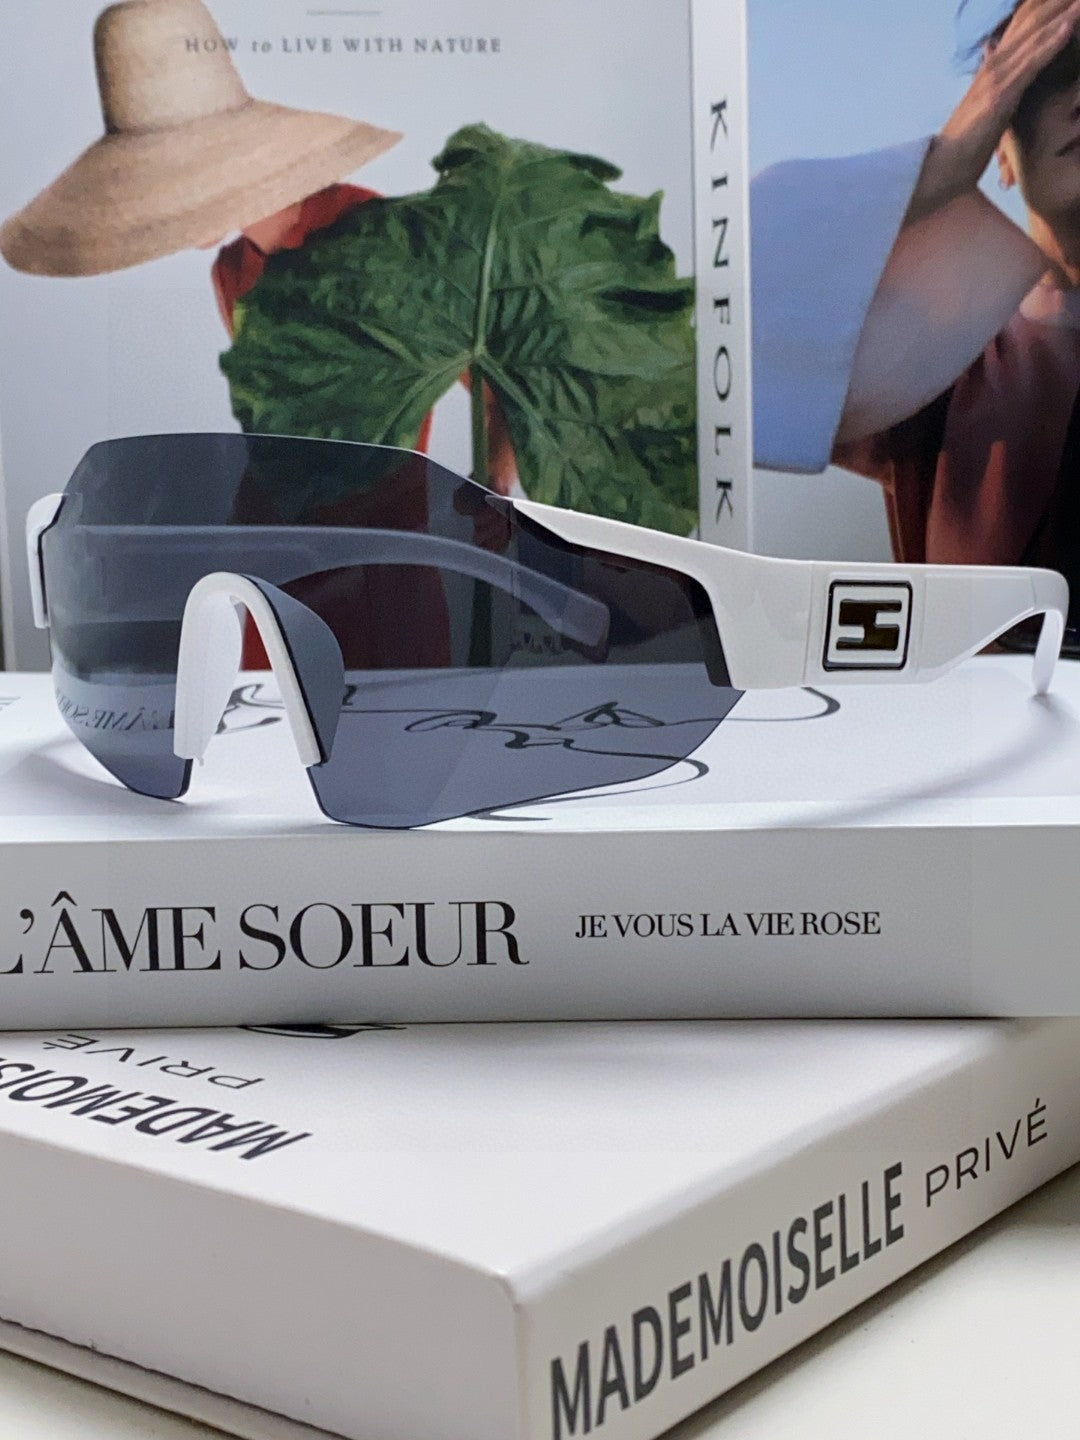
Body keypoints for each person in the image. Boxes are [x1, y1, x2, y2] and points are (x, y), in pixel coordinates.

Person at [752, 0, 1080, 630]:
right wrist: (941, 166)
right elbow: (711, 338)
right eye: (1046, 70)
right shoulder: (945, 361)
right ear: (1003, 151)